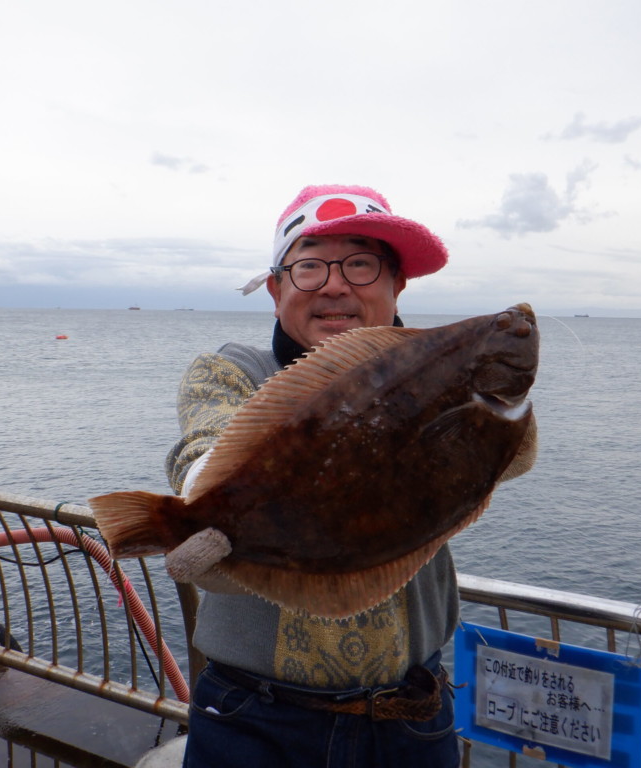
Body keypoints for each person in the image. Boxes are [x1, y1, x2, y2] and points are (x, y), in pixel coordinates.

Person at [163, 184, 460, 768]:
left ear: (397, 285)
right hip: (254, 716)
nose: (335, 285)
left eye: (361, 264)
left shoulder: (443, 384)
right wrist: (210, 498)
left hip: (413, 714)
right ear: (276, 290)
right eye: (309, 266)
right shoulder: (232, 371)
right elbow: (204, 440)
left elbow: (499, 461)